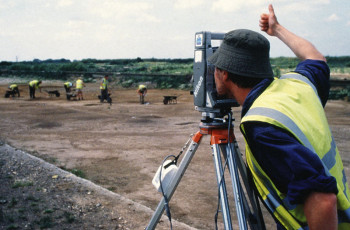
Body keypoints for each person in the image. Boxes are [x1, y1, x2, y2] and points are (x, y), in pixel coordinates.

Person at [208, 4, 350, 230]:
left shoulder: (262, 126)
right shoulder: (298, 84)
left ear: (224, 74)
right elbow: (316, 57)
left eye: (215, 67)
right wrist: (277, 29)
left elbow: (323, 200)